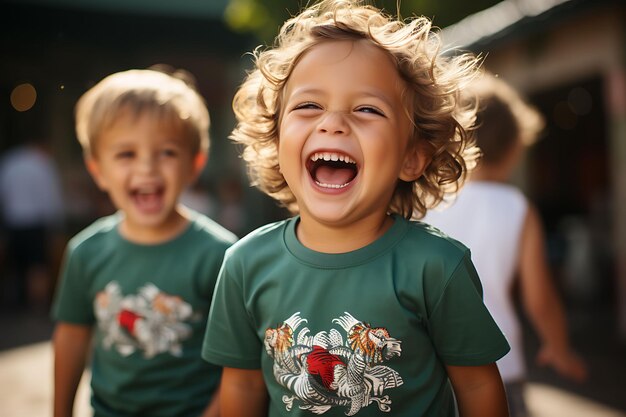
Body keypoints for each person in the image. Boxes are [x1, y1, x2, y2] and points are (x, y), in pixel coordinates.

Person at [202, 1, 511, 416]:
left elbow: (477, 387)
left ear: (412, 157)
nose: (332, 123)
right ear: (276, 142)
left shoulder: (436, 267)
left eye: (367, 109)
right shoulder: (244, 265)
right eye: (308, 105)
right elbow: (240, 387)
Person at [51, 67, 237, 417]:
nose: (147, 169)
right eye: (126, 154)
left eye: (166, 152)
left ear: (194, 164)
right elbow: (71, 339)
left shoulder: (223, 256)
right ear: (98, 170)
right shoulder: (85, 252)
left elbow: (239, 365)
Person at [423, 72, 587, 416]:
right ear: (515, 147)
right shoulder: (517, 206)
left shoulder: (426, 200)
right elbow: (539, 298)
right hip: (501, 366)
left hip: (433, 366)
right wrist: (558, 347)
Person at [0, 134, 65, 310]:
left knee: (16, 265)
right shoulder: (42, 164)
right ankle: (36, 304)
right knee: (37, 266)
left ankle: (16, 302)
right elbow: (51, 196)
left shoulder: (9, 161)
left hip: (13, 221)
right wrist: (56, 223)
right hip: (36, 223)